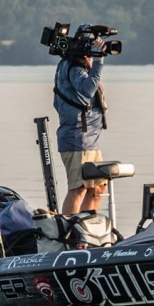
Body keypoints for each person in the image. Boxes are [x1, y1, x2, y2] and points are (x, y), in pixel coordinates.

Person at [53, 24, 110, 216]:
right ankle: (70, 230)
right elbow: (87, 90)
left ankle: (87, 226)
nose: (94, 47)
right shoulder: (73, 66)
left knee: (98, 188)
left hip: (90, 138)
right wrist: (99, 61)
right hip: (77, 138)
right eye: (92, 43)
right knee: (78, 188)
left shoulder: (80, 63)